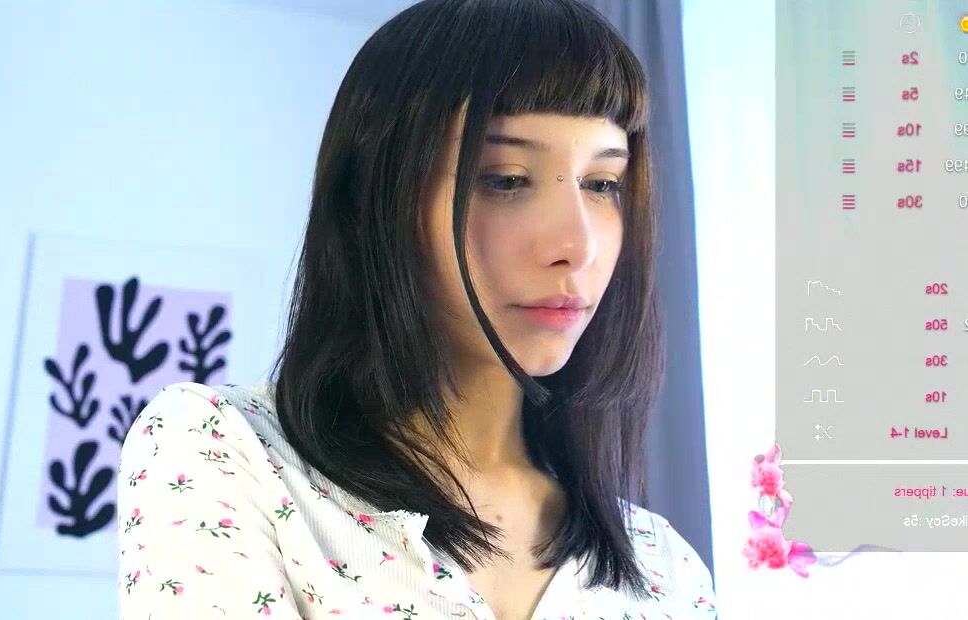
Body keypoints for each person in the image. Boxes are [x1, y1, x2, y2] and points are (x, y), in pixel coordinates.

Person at [117, 0, 717, 617]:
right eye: (506, 179)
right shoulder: (224, 451)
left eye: (602, 184)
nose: (576, 245)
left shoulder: (665, 570)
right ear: (375, 202)